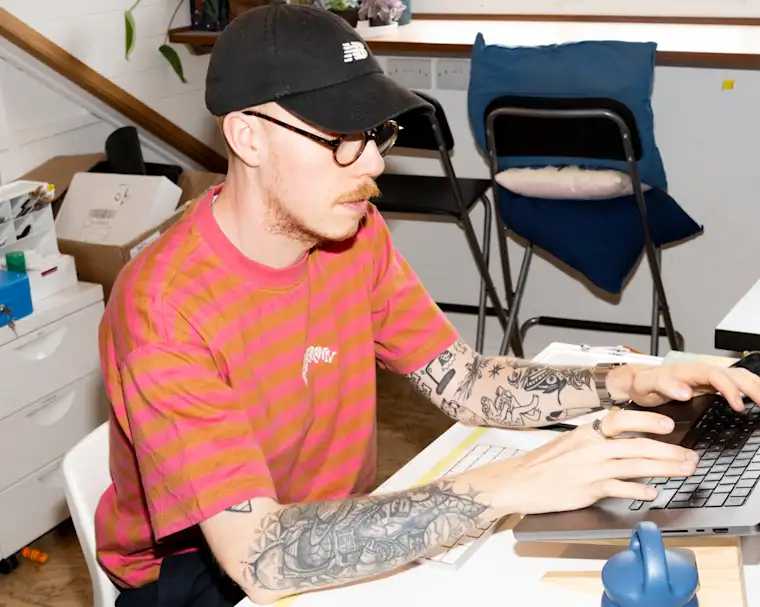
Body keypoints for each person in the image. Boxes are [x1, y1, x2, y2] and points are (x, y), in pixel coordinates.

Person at [94, 3, 760, 606]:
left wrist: (628, 381)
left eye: (374, 132)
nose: (373, 165)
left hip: (331, 522)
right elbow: (260, 558)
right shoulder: (165, 306)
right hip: (203, 572)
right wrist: (510, 483)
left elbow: (464, 380)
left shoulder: (351, 232)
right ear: (248, 137)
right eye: (339, 138)